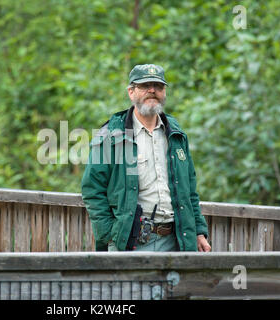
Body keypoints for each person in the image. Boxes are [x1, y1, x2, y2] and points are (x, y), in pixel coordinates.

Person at [81, 64, 211, 252]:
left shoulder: (176, 134)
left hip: (177, 241)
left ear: (164, 91)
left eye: (158, 86)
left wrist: (198, 231)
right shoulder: (111, 135)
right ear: (131, 92)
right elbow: (92, 189)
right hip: (132, 242)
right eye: (145, 86)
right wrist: (110, 234)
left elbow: (189, 191)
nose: (152, 90)